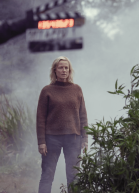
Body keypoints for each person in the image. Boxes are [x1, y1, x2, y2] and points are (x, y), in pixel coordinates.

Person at [36, 56, 88, 193]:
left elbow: (83, 115)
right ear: (55, 70)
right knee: (47, 175)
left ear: (69, 70)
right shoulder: (47, 90)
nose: (64, 70)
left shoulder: (77, 89)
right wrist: (41, 141)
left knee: (74, 176)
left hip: (74, 138)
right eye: (61, 67)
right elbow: (40, 118)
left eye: (66, 68)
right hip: (51, 139)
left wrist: (85, 138)